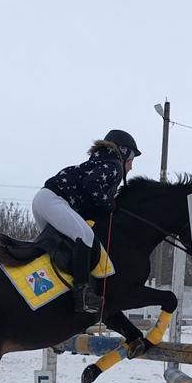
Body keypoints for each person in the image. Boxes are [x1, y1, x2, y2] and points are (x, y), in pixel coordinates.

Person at [32, 129, 140, 313]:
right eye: (130, 161)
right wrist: (109, 205)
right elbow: (92, 185)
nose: (130, 167)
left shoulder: (98, 163)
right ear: (123, 153)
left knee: (62, 247)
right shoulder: (113, 165)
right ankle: (82, 294)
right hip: (54, 201)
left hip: (44, 200)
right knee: (85, 235)